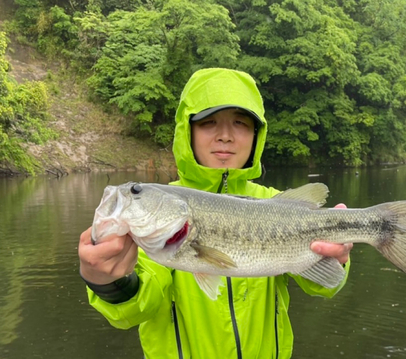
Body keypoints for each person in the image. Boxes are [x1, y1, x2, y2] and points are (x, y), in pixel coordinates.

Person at [79, 68, 353, 358]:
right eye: (209, 122)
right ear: (188, 131)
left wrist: (335, 257)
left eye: (240, 123)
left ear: (257, 135)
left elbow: (323, 286)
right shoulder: (153, 231)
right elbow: (136, 307)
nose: (225, 136)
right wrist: (108, 282)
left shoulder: (276, 203)